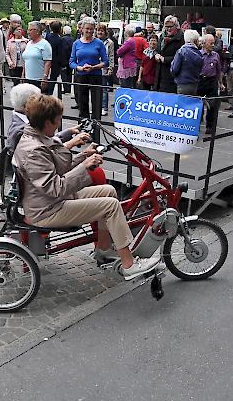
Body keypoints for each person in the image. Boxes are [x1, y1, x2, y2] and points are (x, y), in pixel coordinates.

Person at [13, 94, 161, 280]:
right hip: (47, 209)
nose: (59, 125)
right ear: (47, 122)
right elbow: (55, 187)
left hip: (48, 201)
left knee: (109, 191)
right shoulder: (34, 149)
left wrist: (83, 156)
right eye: (58, 121)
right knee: (111, 206)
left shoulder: (36, 137)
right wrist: (84, 166)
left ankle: (104, 249)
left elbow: (55, 167)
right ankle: (129, 264)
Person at [69, 16, 108, 120]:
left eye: (91, 29)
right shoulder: (76, 43)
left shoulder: (99, 43)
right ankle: (82, 129)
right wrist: (79, 68)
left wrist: (94, 67)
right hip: (81, 76)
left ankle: (95, 129)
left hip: (96, 76)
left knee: (96, 105)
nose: (89, 31)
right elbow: (71, 62)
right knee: (82, 106)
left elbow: (106, 62)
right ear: (82, 29)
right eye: (87, 28)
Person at [198, 33, 224, 135]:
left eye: (214, 43)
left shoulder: (216, 55)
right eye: (211, 43)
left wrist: (220, 83)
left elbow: (219, 71)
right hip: (200, 81)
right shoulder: (198, 54)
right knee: (198, 104)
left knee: (212, 105)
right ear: (204, 43)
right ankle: (197, 124)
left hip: (212, 81)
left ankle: (210, 126)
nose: (213, 45)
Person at [154, 15, 184, 93]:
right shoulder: (161, 36)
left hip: (171, 75)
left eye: (171, 26)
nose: (168, 29)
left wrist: (165, 59)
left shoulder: (181, 39)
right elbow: (157, 49)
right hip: (159, 74)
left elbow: (180, 57)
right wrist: (156, 54)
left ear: (176, 26)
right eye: (166, 26)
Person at [22, 21, 52, 93]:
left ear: (37, 31)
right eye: (28, 30)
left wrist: (45, 78)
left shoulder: (45, 44)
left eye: (30, 30)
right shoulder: (29, 43)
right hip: (28, 78)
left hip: (39, 80)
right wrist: (23, 75)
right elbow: (26, 60)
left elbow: (47, 62)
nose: (28, 32)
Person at [171, 29, 203, 96]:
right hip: (195, 84)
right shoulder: (199, 53)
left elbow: (174, 69)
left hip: (183, 84)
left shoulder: (181, 51)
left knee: (182, 104)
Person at [97, 23, 114, 116]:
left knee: (104, 89)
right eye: (98, 30)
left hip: (104, 68)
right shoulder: (94, 41)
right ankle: (97, 107)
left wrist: (111, 68)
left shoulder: (110, 43)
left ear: (105, 32)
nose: (100, 32)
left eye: (101, 31)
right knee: (95, 89)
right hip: (95, 69)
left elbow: (111, 56)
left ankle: (104, 108)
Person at [45, 21, 64, 96]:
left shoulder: (48, 36)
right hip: (55, 63)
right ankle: (49, 95)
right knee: (52, 80)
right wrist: (63, 64)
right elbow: (60, 53)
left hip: (46, 61)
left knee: (46, 78)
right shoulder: (60, 40)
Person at [60, 26, 74, 95]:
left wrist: (62, 62)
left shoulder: (63, 39)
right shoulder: (72, 39)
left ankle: (66, 89)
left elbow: (63, 51)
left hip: (65, 60)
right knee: (69, 75)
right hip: (71, 59)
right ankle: (68, 88)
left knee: (64, 75)